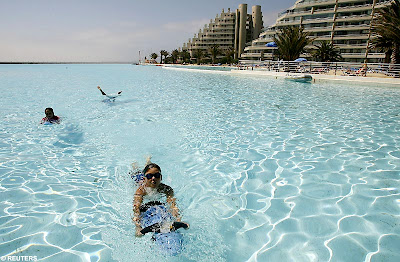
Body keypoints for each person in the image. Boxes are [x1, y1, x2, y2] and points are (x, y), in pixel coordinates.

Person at [132, 163, 189, 237]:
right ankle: (137, 165)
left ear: (161, 177)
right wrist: (138, 227)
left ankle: (148, 162)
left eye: (157, 175)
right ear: (145, 178)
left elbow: (173, 205)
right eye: (149, 176)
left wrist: (178, 220)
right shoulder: (141, 191)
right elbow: (136, 208)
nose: (153, 178)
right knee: (136, 174)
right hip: (139, 181)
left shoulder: (166, 189)